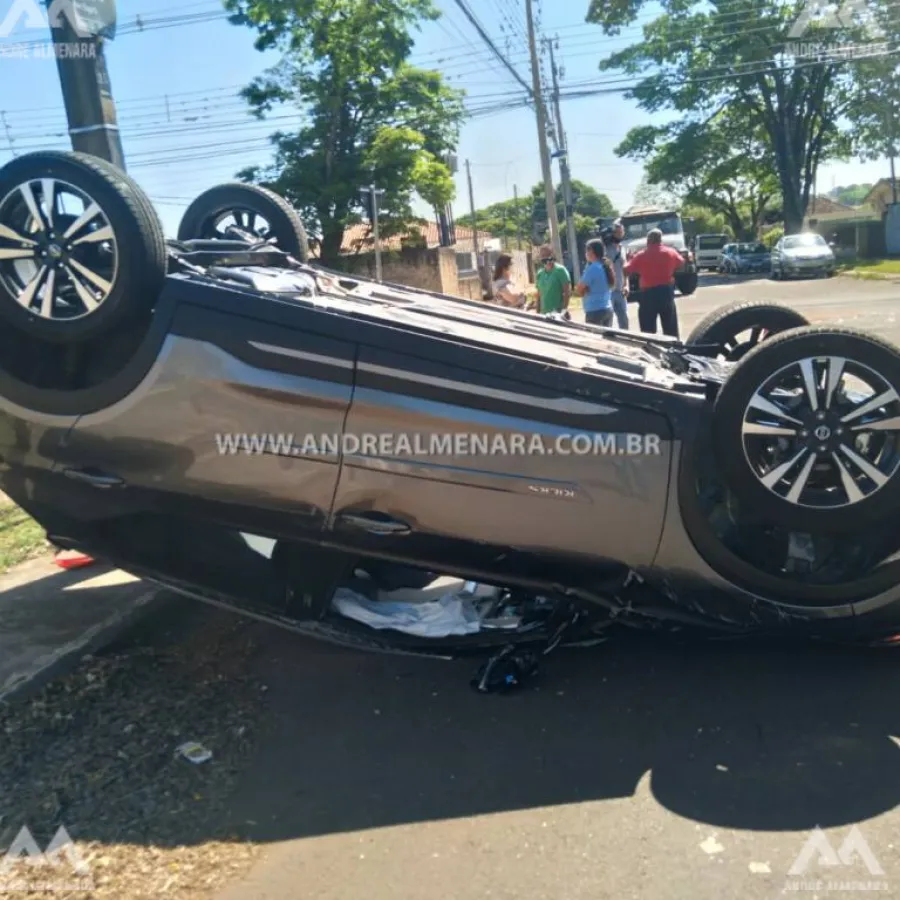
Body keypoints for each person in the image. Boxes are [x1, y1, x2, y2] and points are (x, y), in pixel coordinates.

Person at [623, 228, 683, 337]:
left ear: (648, 240)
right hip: (666, 291)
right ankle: (674, 349)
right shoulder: (670, 252)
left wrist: (629, 259)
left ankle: (650, 349)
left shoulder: (641, 255)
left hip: (648, 294)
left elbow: (627, 269)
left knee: (648, 329)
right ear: (661, 239)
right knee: (670, 326)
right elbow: (681, 263)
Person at [575, 238, 615, 327]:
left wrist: (583, 290)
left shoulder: (593, 268)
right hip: (607, 308)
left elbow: (579, 288)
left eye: (587, 250)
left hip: (594, 311)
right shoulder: (606, 266)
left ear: (592, 251)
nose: (585, 253)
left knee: (594, 340)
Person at [535, 245, 572, 315]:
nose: (545, 257)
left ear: (552, 255)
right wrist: (537, 313)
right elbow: (539, 295)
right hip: (544, 314)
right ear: (540, 257)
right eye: (543, 255)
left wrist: (563, 311)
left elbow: (567, 292)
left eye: (548, 255)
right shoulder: (540, 273)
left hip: (557, 314)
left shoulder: (560, 271)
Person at [608, 220, 629, 329]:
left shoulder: (623, 248)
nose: (619, 234)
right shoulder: (605, 248)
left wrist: (626, 285)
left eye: (621, 232)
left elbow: (625, 268)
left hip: (621, 290)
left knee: (624, 321)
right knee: (609, 322)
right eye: (617, 232)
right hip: (609, 291)